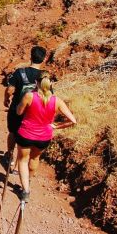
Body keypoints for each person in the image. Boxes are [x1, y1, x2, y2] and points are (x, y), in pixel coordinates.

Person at [13, 73, 77, 201]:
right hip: (44, 137)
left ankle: (25, 190)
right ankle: (27, 182)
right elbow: (73, 121)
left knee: (23, 160)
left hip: (26, 133)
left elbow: (19, 112)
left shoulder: (29, 96)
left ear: (36, 82)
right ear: (51, 83)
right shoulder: (57, 101)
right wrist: (56, 126)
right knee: (35, 158)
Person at [3, 46, 48, 170]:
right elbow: (48, 96)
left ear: (30, 56)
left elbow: (10, 90)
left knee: (13, 132)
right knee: (25, 138)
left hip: (16, 109)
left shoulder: (20, 72)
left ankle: (10, 156)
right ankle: (19, 165)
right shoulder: (44, 77)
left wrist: (6, 99)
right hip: (33, 113)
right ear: (44, 59)